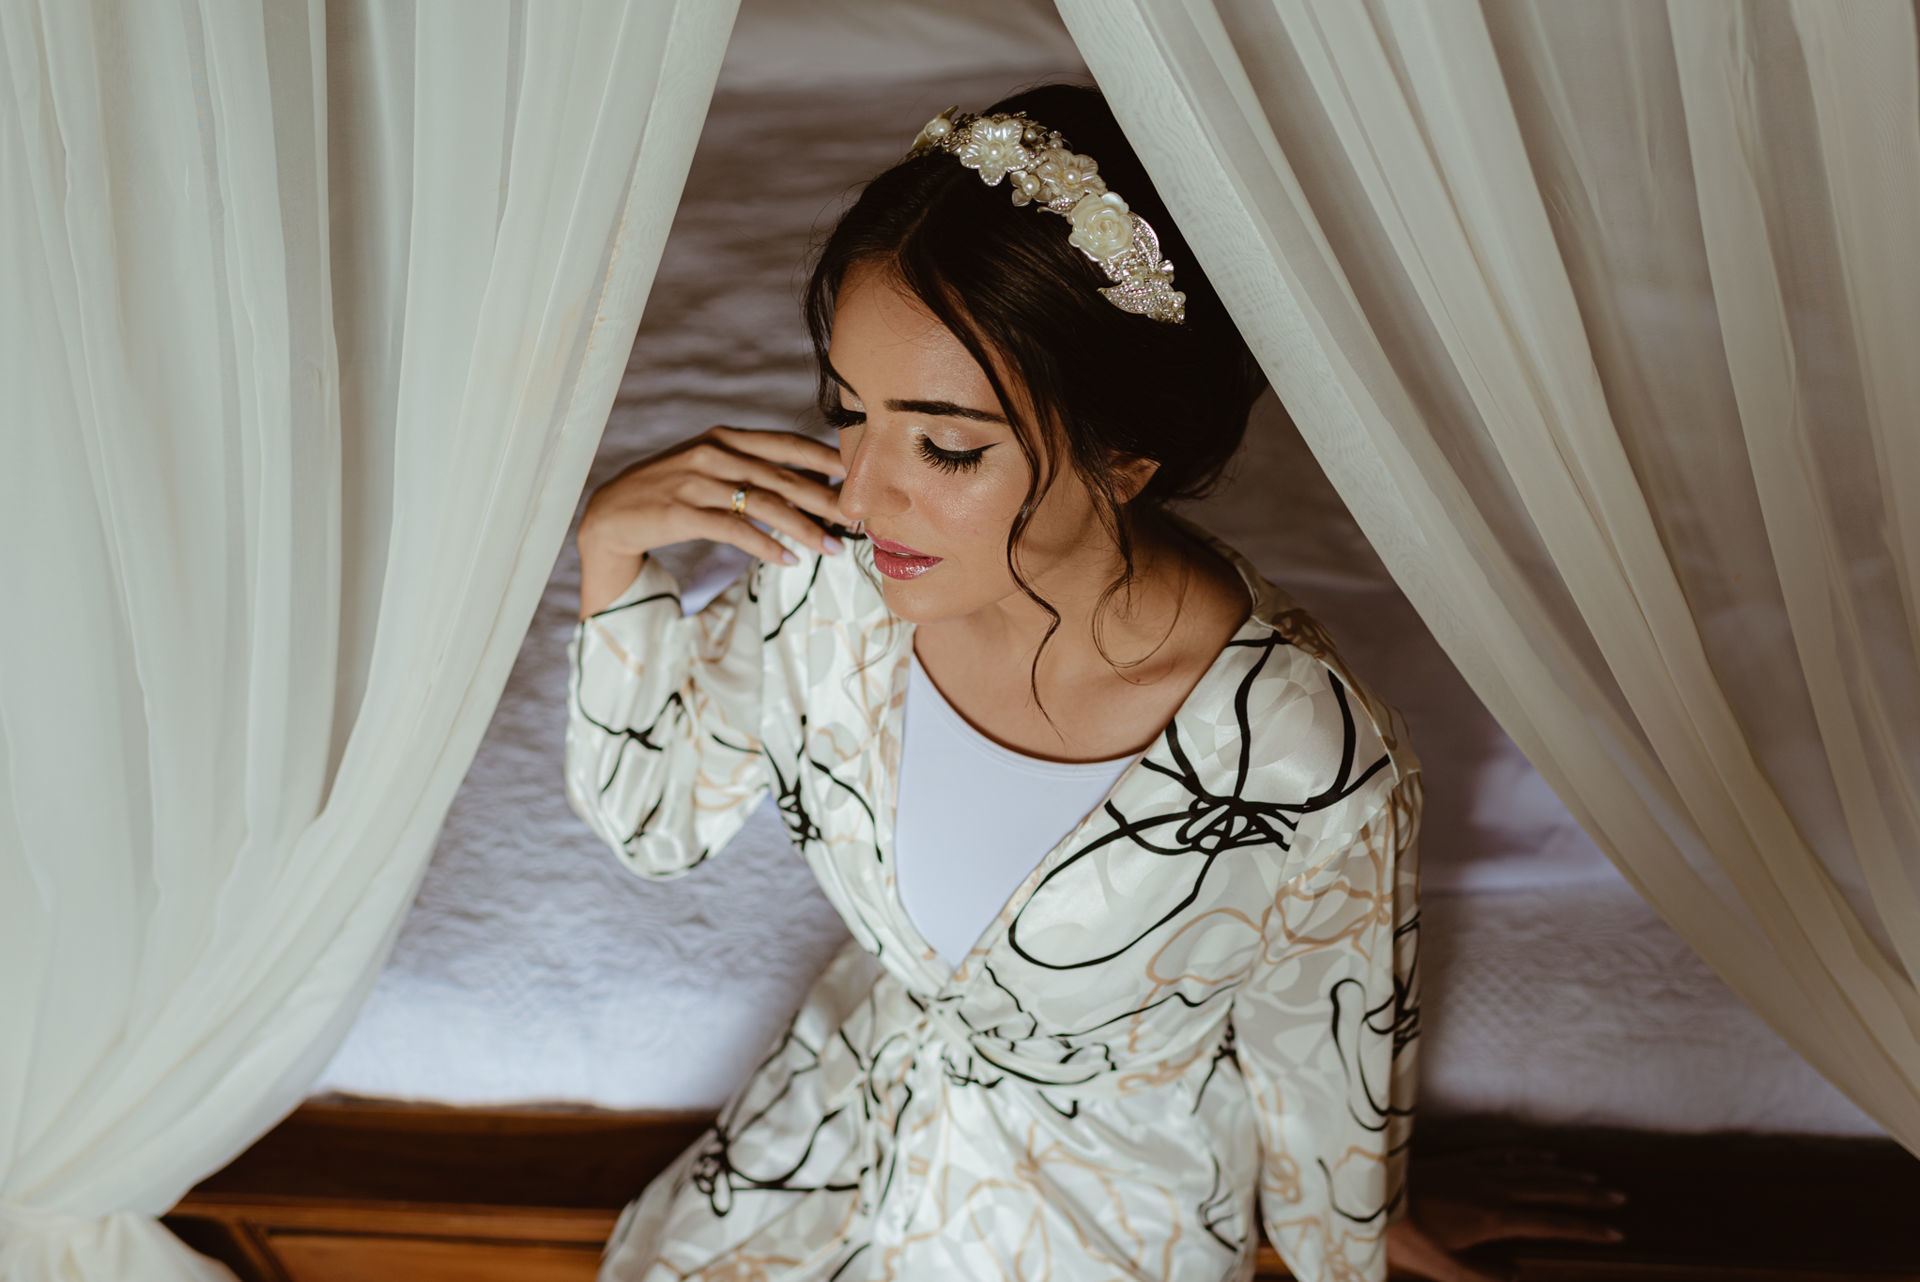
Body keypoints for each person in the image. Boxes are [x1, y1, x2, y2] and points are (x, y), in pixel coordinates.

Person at [566, 83, 1617, 1282]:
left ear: (1127, 456)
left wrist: (1359, 1228)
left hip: (1113, 1221)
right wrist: (612, 553)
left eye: (947, 445)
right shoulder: (831, 581)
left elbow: (1317, 1047)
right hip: (817, 1162)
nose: (860, 492)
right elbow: (656, 824)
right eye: (847, 412)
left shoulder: (1299, 761)